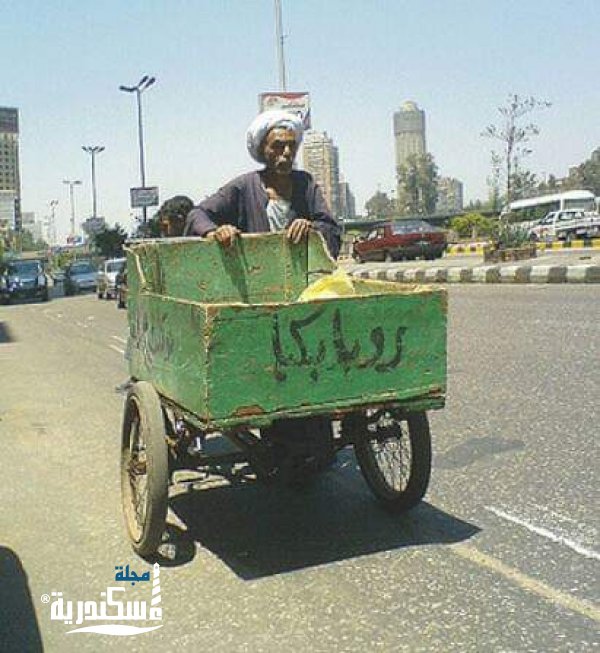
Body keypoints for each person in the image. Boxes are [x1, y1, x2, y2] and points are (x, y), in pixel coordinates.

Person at [184, 110, 341, 258]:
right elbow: (197, 214)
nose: (287, 152)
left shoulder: (306, 184)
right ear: (262, 149)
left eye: (291, 146)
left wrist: (311, 228)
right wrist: (215, 232)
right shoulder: (243, 186)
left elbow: (331, 228)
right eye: (278, 146)